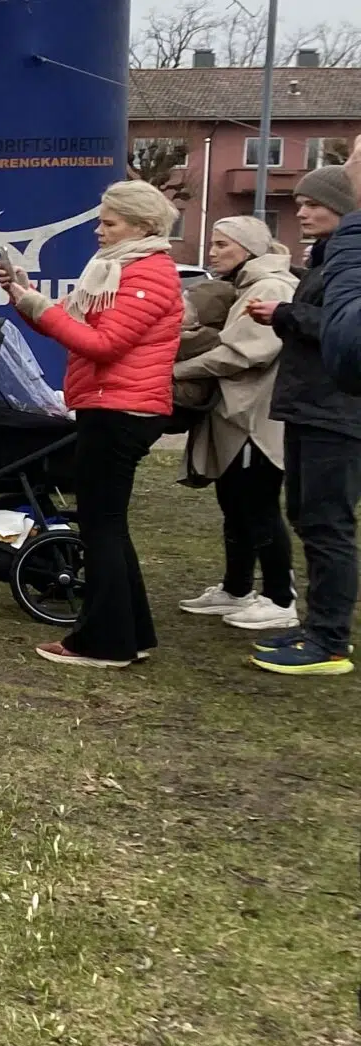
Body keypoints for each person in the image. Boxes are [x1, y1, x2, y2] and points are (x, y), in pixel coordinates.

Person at [0, 178, 183, 668]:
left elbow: (102, 346)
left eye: (109, 222)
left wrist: (37, 305)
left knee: (101, 527)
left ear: (141, 226)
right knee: (108, 526)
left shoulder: (146, 274)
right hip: (114, 405)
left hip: (120, 410)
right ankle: (130, 632)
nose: (98, 230)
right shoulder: (124, 269)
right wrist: (24, 297)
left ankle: (102, 643)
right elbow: (82, 330)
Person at [242, 165, 361, 675]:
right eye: (299, 204)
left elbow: (343, 327)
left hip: (336, 412)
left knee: (328, 524)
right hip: (310, 407)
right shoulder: (329, 259)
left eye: (314, 204)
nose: (303, 212)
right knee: (308, 518)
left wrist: (285, 314)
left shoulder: (348, 262)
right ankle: (316, 627)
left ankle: (331, 640)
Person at [172, 215, 297, 632]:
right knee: (234, 502)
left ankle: (281, 598)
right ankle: (237, 587)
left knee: (257, 504)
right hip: (236, 414)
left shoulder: (270, 287)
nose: (212, 252)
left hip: (256, 418)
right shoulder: (248, 286)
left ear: (248, 248)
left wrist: (179, 370)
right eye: (213, 243)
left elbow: (244, 353)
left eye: (222, 245)